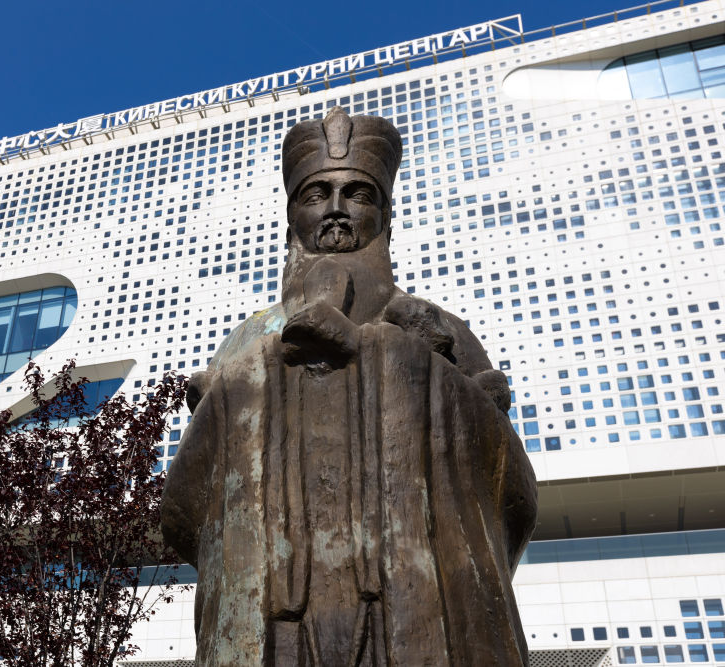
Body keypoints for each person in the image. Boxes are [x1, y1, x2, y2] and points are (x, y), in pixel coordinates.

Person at [161, 107, 537, 666]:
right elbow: (191, 501)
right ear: (292, 215)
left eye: (357, 194)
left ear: (386, 213)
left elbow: (508, 486)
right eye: (317, 195)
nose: (336, 209)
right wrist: (231, 398)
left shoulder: (441, 331)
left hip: (411, 597)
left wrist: (411, 362)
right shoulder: (246, 341)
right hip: (275, 601)